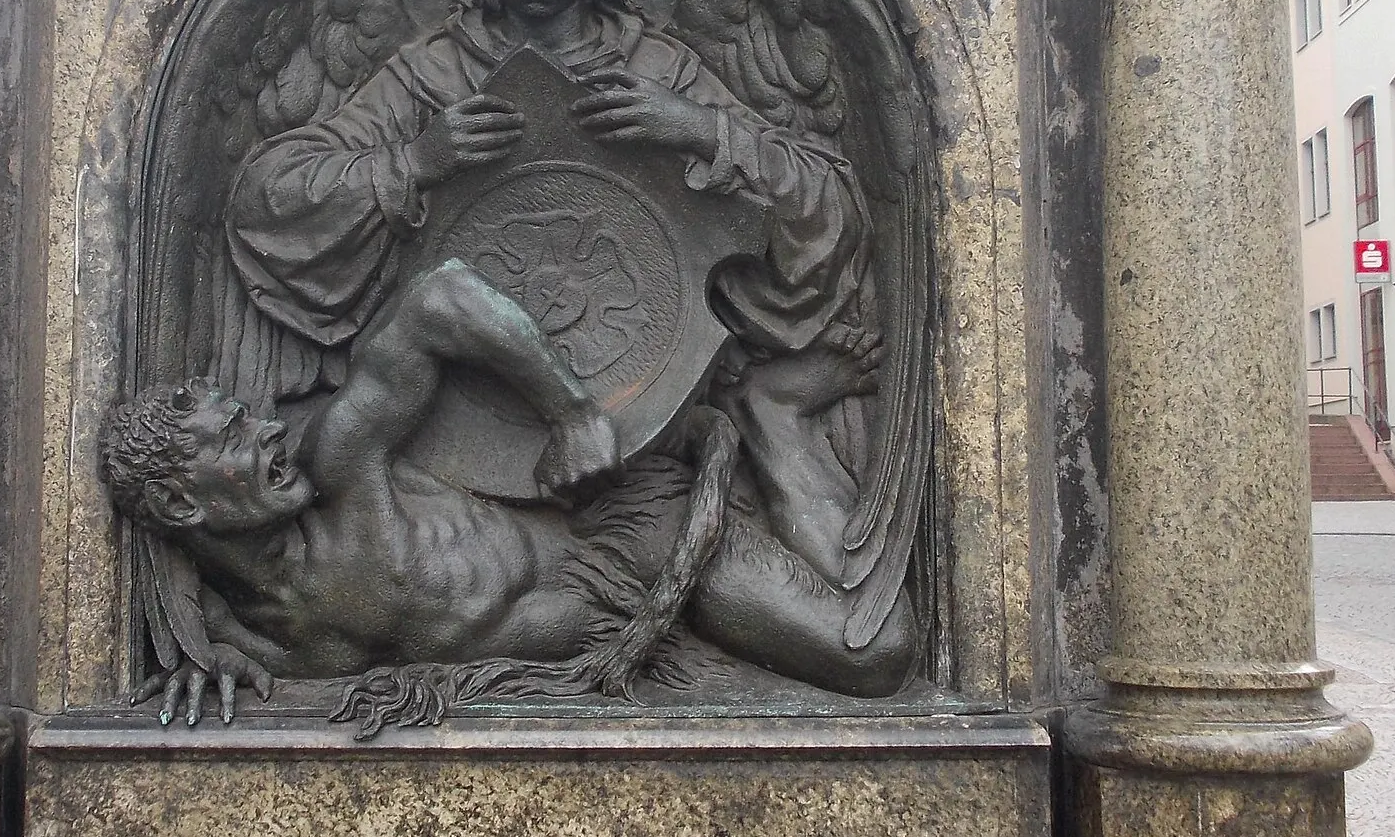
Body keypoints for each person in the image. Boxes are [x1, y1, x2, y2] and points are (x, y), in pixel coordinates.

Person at [225, 0, 878, 558]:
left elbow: (829, 205)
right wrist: (410, 162)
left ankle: (768, 421)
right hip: (460, 450)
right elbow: (267, 196)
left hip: (642, 439)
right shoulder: (430, 75)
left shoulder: (661, 72)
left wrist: (702, 129)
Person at [103, 261, 917, 718]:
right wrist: (192, 669)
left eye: (251, 417)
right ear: (181, 506)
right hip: (603, 636)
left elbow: (439, 297)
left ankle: (771, 416)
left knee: (873, 655)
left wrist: (570, 413)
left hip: (627, 539)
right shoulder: (238, 638)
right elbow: (210, 668)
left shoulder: (340, 462)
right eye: (238, 439)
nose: (273, 429)